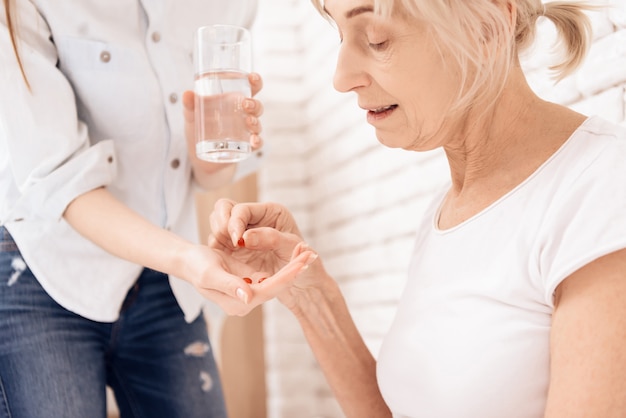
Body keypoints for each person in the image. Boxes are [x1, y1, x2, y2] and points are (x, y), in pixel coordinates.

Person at [208, 0, 626, 417]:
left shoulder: (598, 189)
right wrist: (308, 293)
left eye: (376, 38)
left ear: (488, 23)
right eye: (339, 36)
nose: (340, 78)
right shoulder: (443, 213)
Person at [0, 1, 316, 417]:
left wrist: (207, 147)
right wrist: (189, 260)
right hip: (45, 270)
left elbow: (206, 172)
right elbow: (63, 183)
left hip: (163, 279)